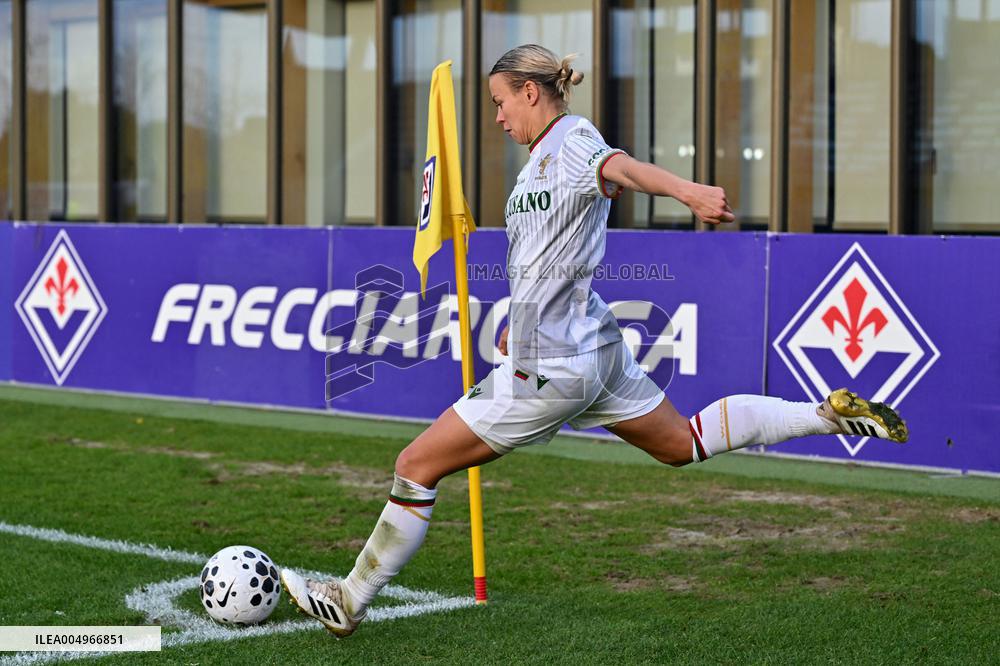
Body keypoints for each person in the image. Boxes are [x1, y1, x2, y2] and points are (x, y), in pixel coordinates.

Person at [281, 44, 907, 636]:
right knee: (681, 443)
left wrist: (686, 191)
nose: (497, 117)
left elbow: (620, 168)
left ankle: (348, 600)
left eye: (501, 102)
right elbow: (545, 257)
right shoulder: (541, 162)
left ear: (530, 91)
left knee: (415, 467)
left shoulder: (575, 142)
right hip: (594, 350)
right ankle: (824, 416)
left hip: (550, 368)